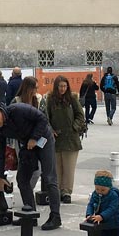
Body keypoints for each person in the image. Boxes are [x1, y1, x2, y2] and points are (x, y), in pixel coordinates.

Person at [0, 103, 62, 230]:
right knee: (22, 179)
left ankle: (55, 216)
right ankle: (30, 215)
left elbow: (42, 119)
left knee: (49, 178)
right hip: (27, 146)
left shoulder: (18, 110)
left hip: (43, 140)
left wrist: (34, 138)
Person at [42, 75, 86, 204]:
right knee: (57, 167)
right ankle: (57, 190)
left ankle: (66, 191)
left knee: (69, 167)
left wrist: (74, 127)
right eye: (60, 86)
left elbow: (80, 115)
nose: (62, 89)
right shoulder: (50, 99)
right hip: (55, 138)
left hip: (71, 138)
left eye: (65, 86)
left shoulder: (72, 98)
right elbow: (46, 117)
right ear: (56, 87)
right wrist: (50, 130)